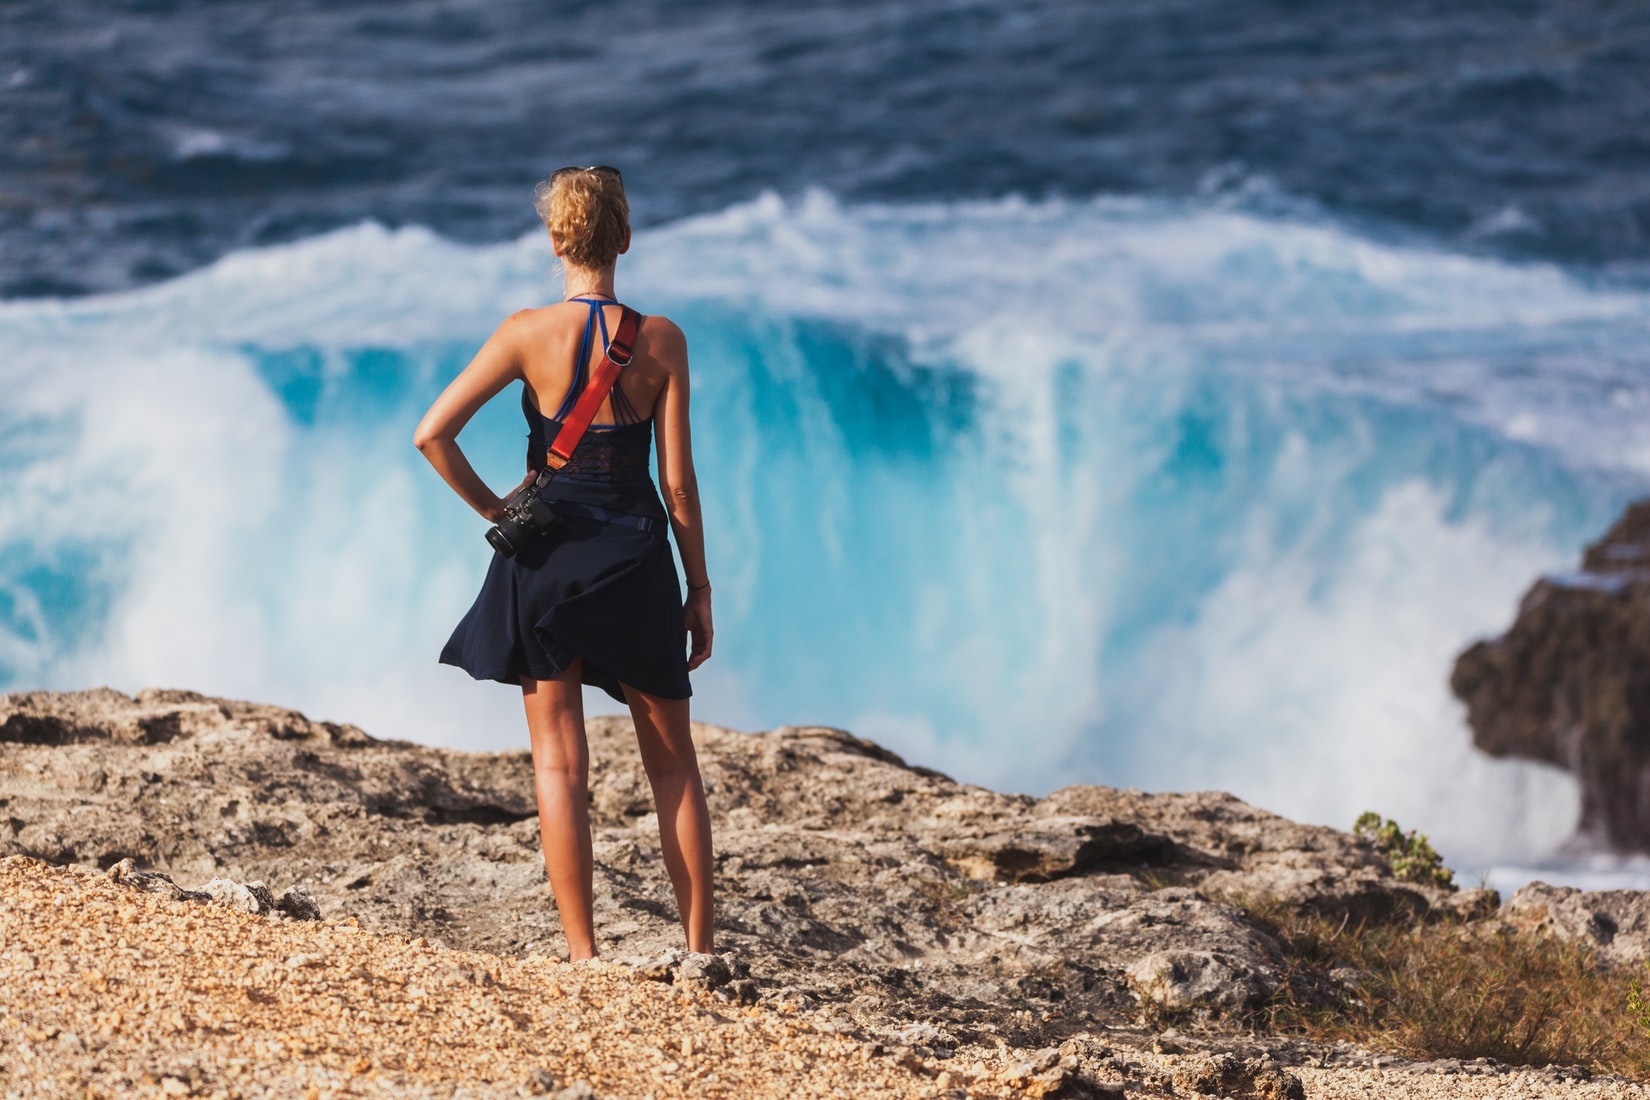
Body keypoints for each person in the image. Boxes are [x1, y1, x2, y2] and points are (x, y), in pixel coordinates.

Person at [413, 165, 714, 960]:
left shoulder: (523, 332)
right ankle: (699, 953)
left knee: (560, 763)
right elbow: (677, 484)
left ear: (556, 241)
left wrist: (496, 510)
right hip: (637, 558)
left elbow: (431, 434)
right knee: (674, 766)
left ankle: (584, 958)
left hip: (544, 559)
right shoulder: (662, 340)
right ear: (623, 238)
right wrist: (700, 587)